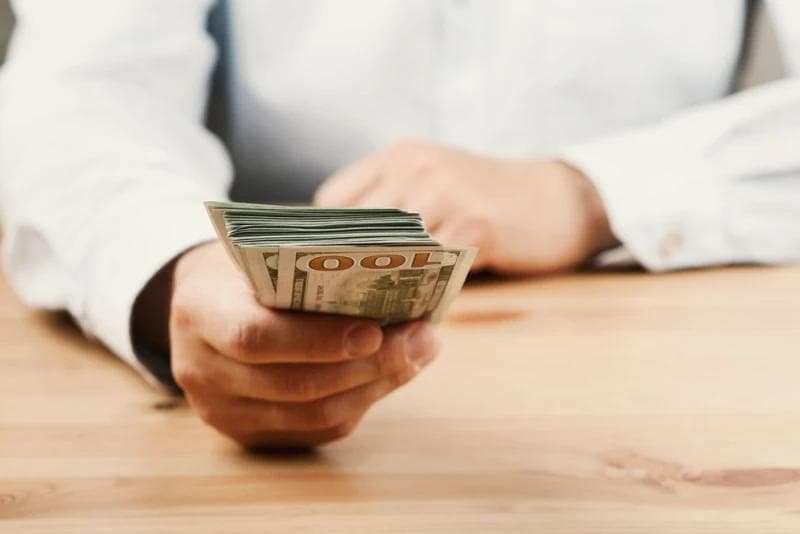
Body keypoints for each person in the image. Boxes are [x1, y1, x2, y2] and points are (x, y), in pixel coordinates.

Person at [0, 0, 798, 448]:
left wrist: (587, 192)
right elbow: (78, 90)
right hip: (253, 373)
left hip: (685, 384)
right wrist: (177, 265)